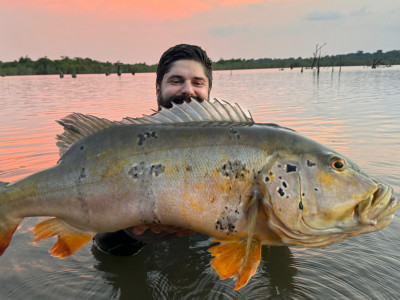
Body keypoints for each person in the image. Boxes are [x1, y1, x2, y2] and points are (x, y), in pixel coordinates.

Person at [93, 44, 213, 255]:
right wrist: (130, 234)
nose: (187, 90)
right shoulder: (122, 150)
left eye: (198, 83)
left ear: (209, 91)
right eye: (176, 81)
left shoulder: (239, 153)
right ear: (158, 89)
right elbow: (101, 246)